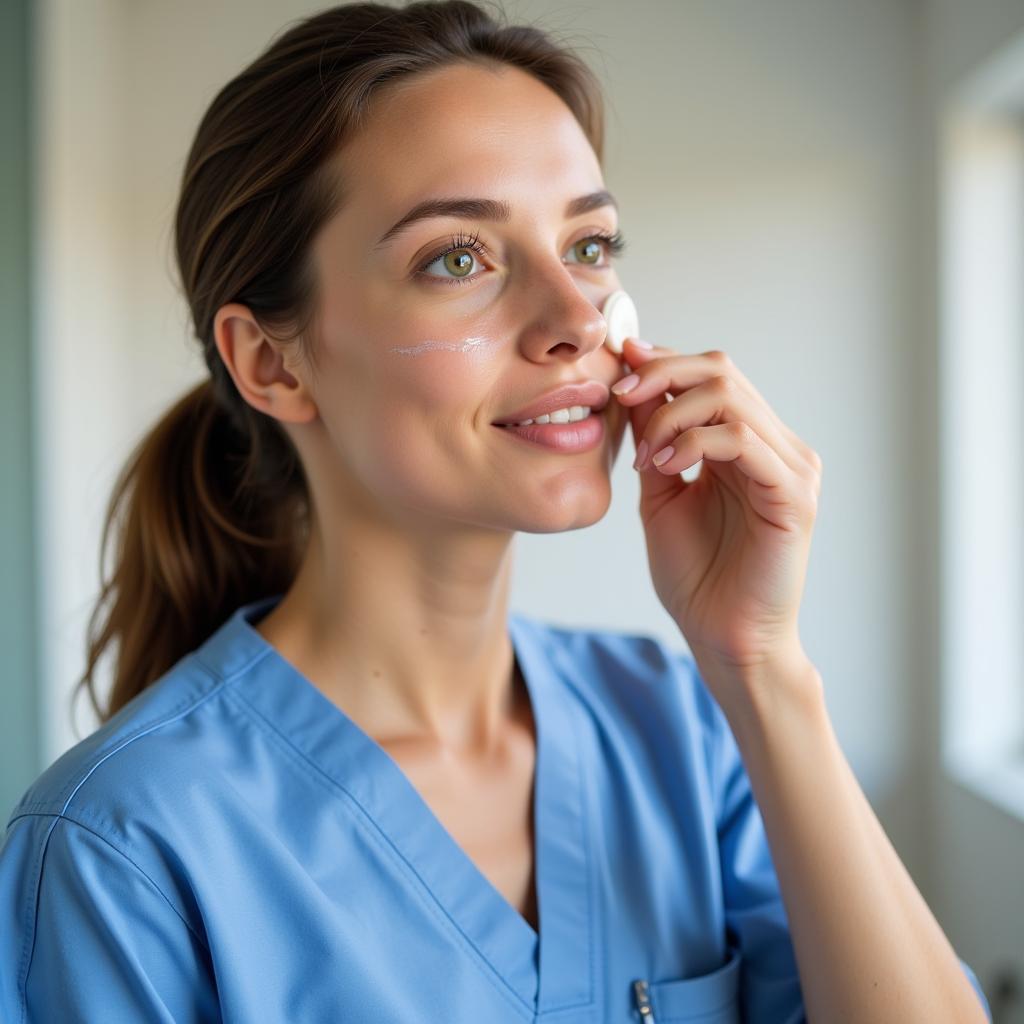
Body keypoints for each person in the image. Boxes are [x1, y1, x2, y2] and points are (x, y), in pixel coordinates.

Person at [0, 2, 993, 1021]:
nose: (575, 320)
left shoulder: (680, 729)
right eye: (458, 258)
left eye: (591, 244)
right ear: (272, 361)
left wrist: (762, 665)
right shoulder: (116, 849)